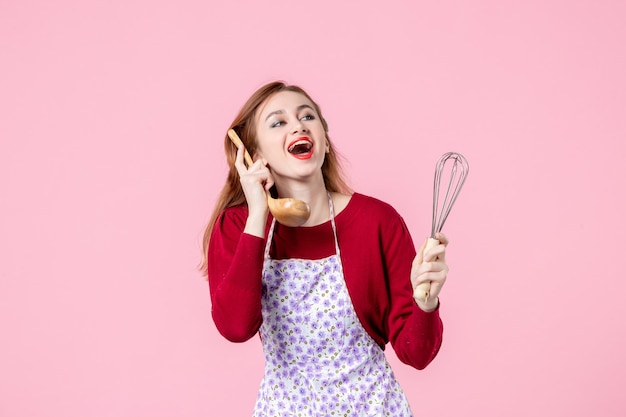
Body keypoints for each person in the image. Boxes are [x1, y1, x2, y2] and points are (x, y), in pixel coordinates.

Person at [201, 81, 449, 416]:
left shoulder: (377, 221)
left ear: (325, 143)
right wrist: (258, 212)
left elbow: (416, 355)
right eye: (278, 122)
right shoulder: (239, 226)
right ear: (254, 156)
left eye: (307, 117)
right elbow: (235, 327)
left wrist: (425, 303)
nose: (298, 125)